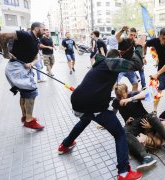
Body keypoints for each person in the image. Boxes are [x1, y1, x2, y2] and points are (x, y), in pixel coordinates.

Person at [57, 36, 146, 180]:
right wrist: (139, 47)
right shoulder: (111, 63)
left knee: (85, 120)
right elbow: (136, 65)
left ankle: (65, 145)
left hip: (80, 102)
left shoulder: (101, 64)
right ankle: (123, 172)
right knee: (120, 134)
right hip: (93, 105)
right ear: (118, 57)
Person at [113, 84, 165, 169]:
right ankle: (149, 156)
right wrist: (126, 123)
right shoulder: (151, 141)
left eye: (123, 96)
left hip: (159, 118)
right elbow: (163, 125)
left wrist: (130, 98)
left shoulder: (132, 95)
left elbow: (151, 92)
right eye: (119, 97)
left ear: (127, 92)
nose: (122, 99)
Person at [0, 22, 46, 129]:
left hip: (23, 69)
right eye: (44, 29)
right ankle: (29, 120)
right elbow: (2, 35)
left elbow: (36, 58)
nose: (45, 31)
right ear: (37, 28)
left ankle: (25, 117)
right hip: (16, 68)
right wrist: (5, 52)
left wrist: (31, 64)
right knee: (31, 91)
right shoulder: (26, 35)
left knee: (25, 94)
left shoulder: (36, 41)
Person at [144, 28, 165, 113]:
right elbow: (144, 44)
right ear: (159, 37)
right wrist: (143, 56)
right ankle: (155, 110)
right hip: (162, 70)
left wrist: (157, 73)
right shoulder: (155, 41)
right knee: (159, 90)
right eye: (164, 38)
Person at [116, 26, 139, 91]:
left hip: (129, 67)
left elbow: (139, 48)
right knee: (114, 84)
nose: (132, 36)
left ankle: (133, 99)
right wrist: (122, 30)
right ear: (127, 33)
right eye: (131, 34)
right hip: (120, 66)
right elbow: (117, 37)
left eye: (134, 35)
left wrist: (143, 57)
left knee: (135, 84)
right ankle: (114, 97)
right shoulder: (123, 40)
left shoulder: (133, 42)